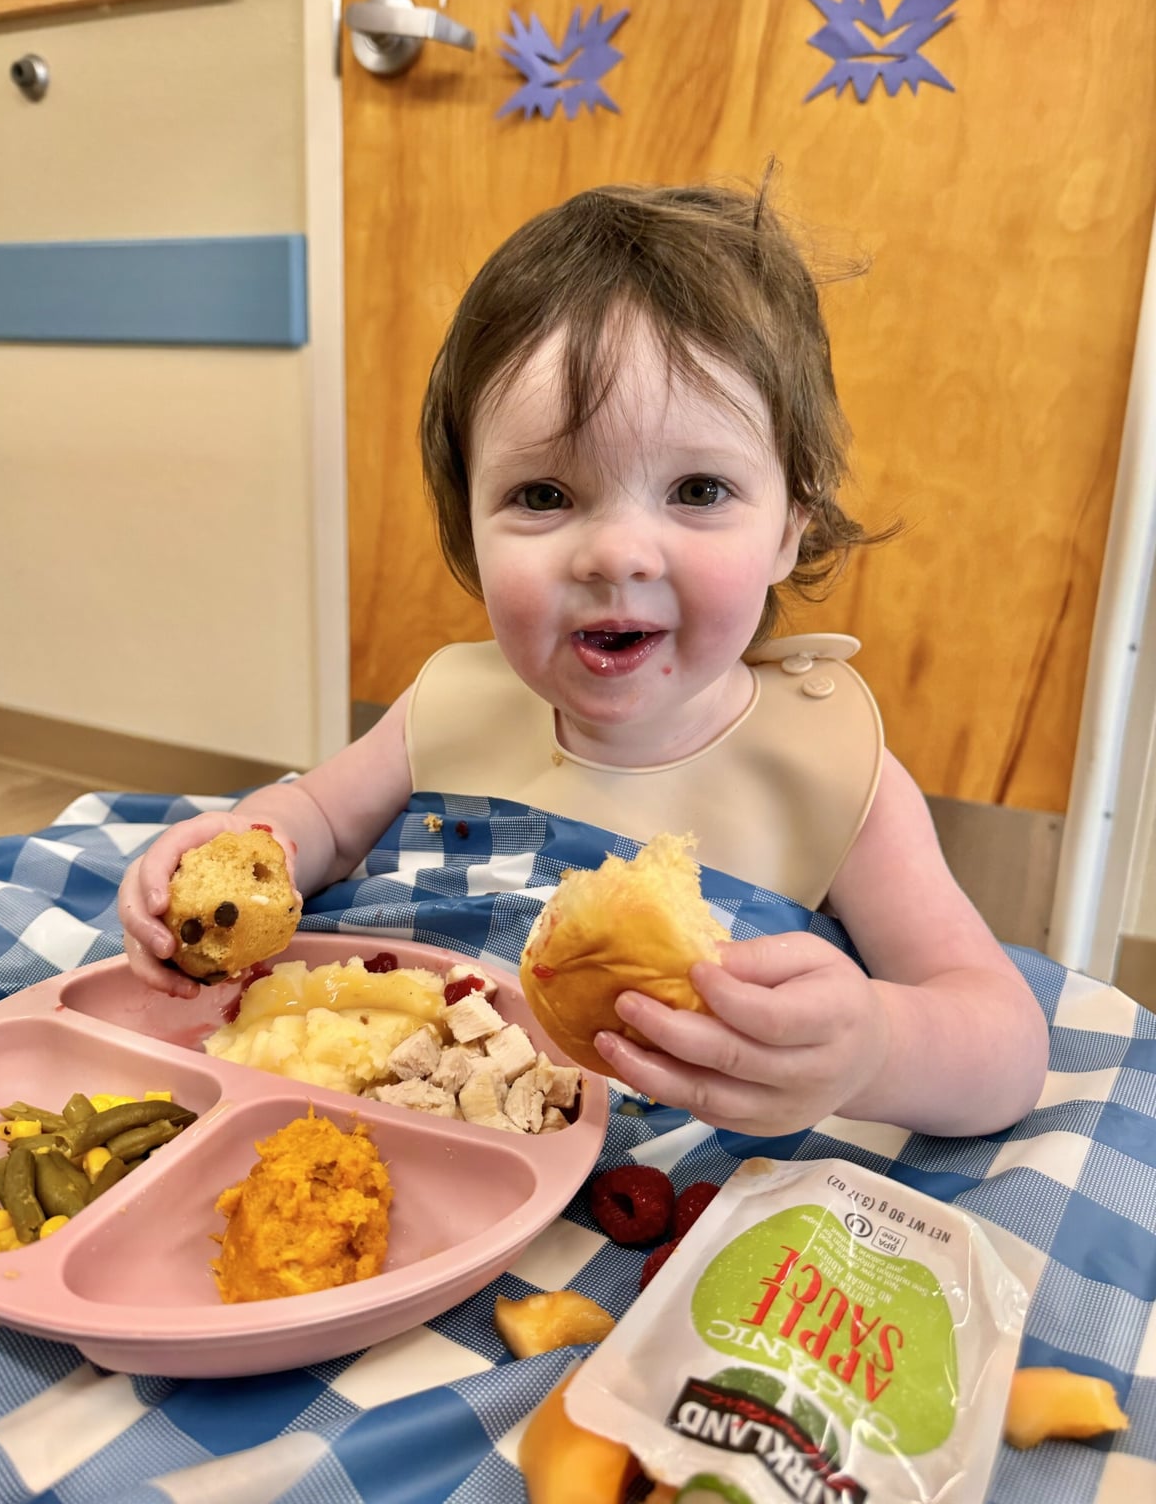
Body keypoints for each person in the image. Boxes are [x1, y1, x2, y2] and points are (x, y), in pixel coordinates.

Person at [118, 179, 1049, 1140]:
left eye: (697, 487)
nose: (617, 553)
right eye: (545, 494)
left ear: (788, 530)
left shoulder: (832, 771)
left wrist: (880, 1048)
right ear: (469, 528)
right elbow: (318, 820)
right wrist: (245, 848)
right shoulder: (452, 703)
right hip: (396, 1136)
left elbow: (1005, 1042)